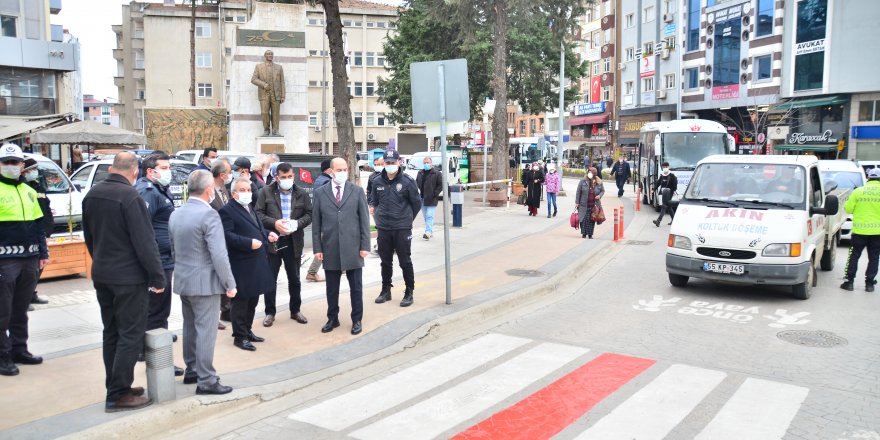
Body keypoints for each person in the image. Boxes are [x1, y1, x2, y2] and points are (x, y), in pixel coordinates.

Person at [82, 151, 165, 411]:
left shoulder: (92, 194)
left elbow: (90, 236)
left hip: (103, 273)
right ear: (135, 172)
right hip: (128, 278)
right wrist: (157, 276)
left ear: (112, 168)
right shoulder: (130, 197)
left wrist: (101, 261)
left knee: (112, 332)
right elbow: (145, 242)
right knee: (130, 334)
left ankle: (116, 386)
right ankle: (118, 394)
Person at [168, 170, 237, 395]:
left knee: (190, 327)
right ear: (209, 191)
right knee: (206, 331)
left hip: (184, 279)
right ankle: (206, 379)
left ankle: (192, 369)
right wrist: (230, 283)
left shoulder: (176, 213)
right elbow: (219, 254)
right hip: (205, 283)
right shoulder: (209, 215)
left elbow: (173, 248)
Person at [0, 144, 48, 378]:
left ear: (21, 165)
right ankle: (3, 355)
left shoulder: (29, 191)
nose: (11, 166)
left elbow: (39, 224)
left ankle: (20, 349)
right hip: (5, 260)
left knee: (21, 309)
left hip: (29, 258)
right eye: (6, 162)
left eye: (14, 162)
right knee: (3, 311)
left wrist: (43, 253)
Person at [135, 154, 185, 376]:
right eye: (164, 167)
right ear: (150, 171)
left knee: (157, 309)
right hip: (158, 261)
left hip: (164, 258)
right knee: (156, 310)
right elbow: (143, 231)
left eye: (169, 167)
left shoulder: (156, 190)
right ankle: (156, 355)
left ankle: (150, 344)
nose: (169, 171)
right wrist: (153, 264)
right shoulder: (147, 192)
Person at [312, 158, 371, 335]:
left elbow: (364, 221)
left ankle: (357, 319)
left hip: (353, 247)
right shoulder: (321, 193)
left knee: (356, 287)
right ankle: (332, 318)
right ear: (331, 171)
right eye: (339, 170)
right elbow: (316, 223)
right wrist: (317, 248)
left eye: (345, 169)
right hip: (330, 247)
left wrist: (365, 245)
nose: (342, 173)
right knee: (332, 287)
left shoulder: (357, 191)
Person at [220, 177, 277, 351]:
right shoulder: (227, 211)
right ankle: (239, 336)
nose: (247, 193)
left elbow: (256, 227)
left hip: (257, 261)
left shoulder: (249, 207)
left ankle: (247, 330)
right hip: (241, 263)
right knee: (241, 302)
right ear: (234, 193)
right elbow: (227, 235)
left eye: (249, 189)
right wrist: (248, 243)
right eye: (243, 190)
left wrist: (267, 233)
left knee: (253, 299)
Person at [255, 162, 312, 327]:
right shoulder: (266, 192)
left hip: (293, 241)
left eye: (290, 176)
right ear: (277, 177)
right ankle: (269, 313)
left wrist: (297, 224)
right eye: (283, 177)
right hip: (273, 240)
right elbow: (258, 214)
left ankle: (295, 310)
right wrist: (274, 223)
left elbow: (309, 214)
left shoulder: (301, 193)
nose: (287, 179)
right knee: (270, 279)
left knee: (294, 278)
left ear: (293, 176)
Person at [369, 149, 421, 307]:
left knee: (405, 261)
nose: (390, 165)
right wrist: (374, 210)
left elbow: (416, 204)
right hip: (384, 227)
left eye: (393, 162)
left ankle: (409, 291)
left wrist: (406, 219)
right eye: (387, 163)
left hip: (402, 228)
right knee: (385, 261)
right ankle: (386, 290)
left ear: (399, 162)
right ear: (383, 163)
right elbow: (373, 200)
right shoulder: (377, 181)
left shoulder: (408, 181)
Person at [841, 168, 880, 292]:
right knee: (874, 257)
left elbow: (848, 209)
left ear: (868, 178)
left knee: (854, 255)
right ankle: (869, 284)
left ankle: (849, 282)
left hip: (859, 231)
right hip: (877, 232)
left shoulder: (858, 191)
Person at [22, 159, 51, 309]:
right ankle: (24, 298)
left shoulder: (38, 187)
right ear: (24, 171)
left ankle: (31, 293)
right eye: (32, 169)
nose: (35, 172)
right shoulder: (23, 188)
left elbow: (45, 207)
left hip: (42, 232)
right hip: (30, 234)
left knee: (40, 265)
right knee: (31, 268)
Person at [306, 159, 334, 283]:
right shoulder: (327, 182)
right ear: (329, 169)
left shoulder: (319, 179)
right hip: (327, 218)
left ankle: (340, 265)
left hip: (322, 217)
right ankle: (312, 272)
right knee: (325, 244)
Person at [251, 49, 285, 136]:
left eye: (271, 54)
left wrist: (283, 95)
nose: (270, 55)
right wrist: (263, 84)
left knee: (275, 113)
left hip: (276, 94)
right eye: (268, 54)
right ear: (265, 56)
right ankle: (266, 130)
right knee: (264, 112)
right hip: (264, 94)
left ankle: (275, 130)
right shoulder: (259, 67)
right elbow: (253, 79)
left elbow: (282, 82)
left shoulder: (279, 67)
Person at [416, 156, 442, 240]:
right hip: (422, 198)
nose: (426, 164)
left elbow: (440, 185)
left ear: (431, 163)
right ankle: (430, 231)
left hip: (432, 198)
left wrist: (435, 194)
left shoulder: (437, 173)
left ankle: (427, 232)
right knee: (425, 216)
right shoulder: (420, 173)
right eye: (425, 163)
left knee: (429, 216)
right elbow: (417, 183)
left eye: (428, 162)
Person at [575, 167, 605, 239]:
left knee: (591, 220)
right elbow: (578, 191)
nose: (589, 174)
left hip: (594, 205)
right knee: (583, 219)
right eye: (588, 172)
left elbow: (603, 191)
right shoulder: (583, 181)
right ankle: (584, 233)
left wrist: (599, 196)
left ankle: (590, 234)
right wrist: (577, 202)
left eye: (591, 172)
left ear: (594, 173)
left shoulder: (599, 182)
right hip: (583, 204)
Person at [653, 162, 678, 227]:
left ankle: (658, 220)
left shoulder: (672, 176)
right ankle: (674, 220)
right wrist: (653, 189)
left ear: (668, 167)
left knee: (664, 206)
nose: (665, 168)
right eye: (663, 167)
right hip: (663, 193)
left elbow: (675, 185)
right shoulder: (662, 175)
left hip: (669, 192)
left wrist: (673, 191)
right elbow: (658, 183)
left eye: (666, 167)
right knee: (669, 207)